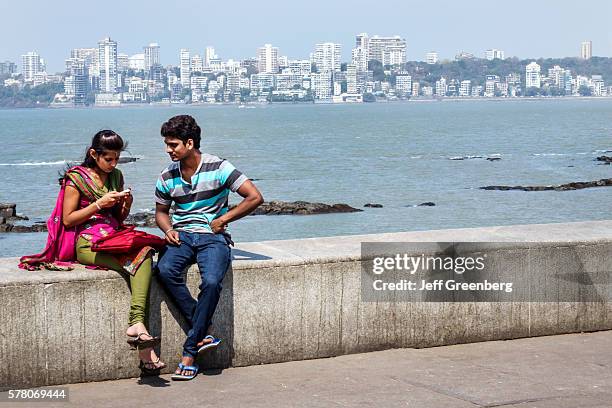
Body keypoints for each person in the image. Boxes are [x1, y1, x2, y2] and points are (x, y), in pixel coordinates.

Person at [155, 115, 263, 381]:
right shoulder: (167, 175)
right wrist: (168, 230)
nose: (168, 150)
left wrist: (223, 220)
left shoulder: (219, 166)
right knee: (165, 271)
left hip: (212, 238)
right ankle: (203, 331)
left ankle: (190, 352)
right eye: (167, 145)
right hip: (181, 236)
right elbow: (160, 212)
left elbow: (255, 197)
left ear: (190, 143)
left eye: (173, 145)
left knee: (213, 281)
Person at [61, 130, 165, 374]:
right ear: (94, 154)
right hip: (87, 243)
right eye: (109, 159)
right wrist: (98, 204)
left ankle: (138, 328)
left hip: (112, 238)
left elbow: (116, 218)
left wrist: (124, 206)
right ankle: (141, 339)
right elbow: (67, 220)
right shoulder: (76, 179)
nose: (114, 164)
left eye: (117, 158)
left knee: (143, 255)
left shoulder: (116, 176)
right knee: (140, 263)